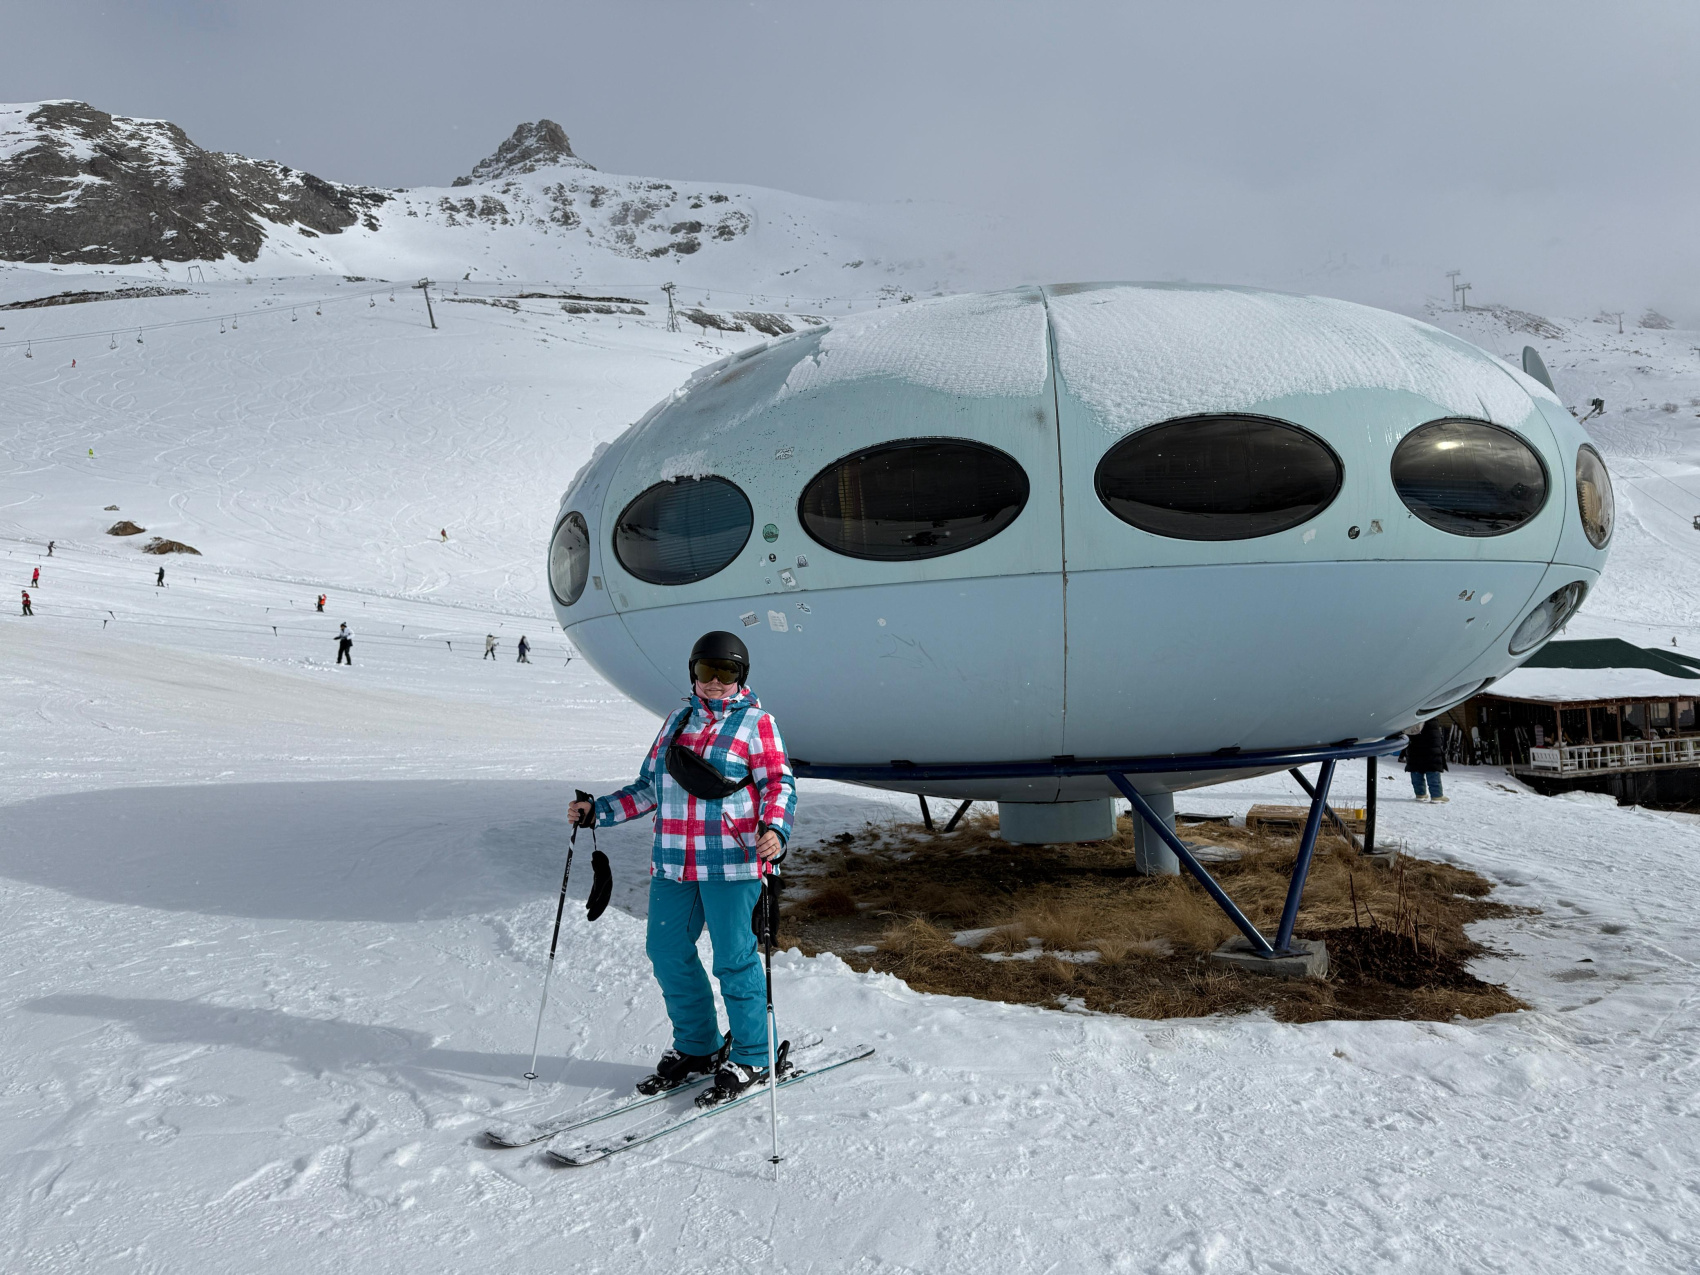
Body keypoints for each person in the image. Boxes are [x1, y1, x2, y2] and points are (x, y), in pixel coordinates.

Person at [567, 631, 796, 1106]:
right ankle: (699, 1045)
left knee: (733, 960)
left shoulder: (757, 723)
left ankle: (754, 1054)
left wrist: (775, 828)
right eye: (706, 671)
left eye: (726, 672)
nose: (715, 681)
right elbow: (648, 787)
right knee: (666, 950)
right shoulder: (677, 720)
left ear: (741, 677)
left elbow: (779, 784)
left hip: (734, 862)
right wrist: (598, 811)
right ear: (693, 672)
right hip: (674, 862)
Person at [1405, 718, 1449, 803]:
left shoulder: (1411, 718)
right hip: (1431, 748)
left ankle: (1420, 794)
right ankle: (1436, 796)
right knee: (1432, 769)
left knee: (1416, 769)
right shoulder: (1430, 717)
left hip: (1414, 747)